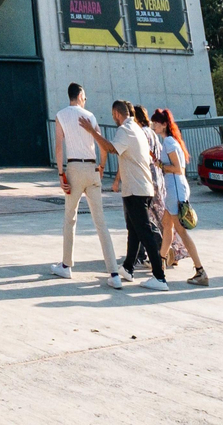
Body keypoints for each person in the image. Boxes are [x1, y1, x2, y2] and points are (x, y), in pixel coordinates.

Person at [51, 83, 124, 287]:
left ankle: (66, 265)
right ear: (81, 95)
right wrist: (101, 166)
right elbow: (102, 145)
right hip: (92, 169)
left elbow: (58, 147)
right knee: (100, 222)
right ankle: (114, 273)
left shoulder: (60, 115)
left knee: (70, 217)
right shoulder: (90, 117)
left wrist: (60, 173)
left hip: (73, 167)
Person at [110, 100, 168, 290]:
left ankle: (159, 277)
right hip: (144, 187)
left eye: (113, 116)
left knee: (145, 233)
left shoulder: (125, 130)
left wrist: (93, 132)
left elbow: (112, 149)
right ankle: (128, 267)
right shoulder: (139, 130)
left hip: (136, 190)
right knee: (134, 231)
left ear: (117, 114)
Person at [150, 108, 208, 287]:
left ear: (164, 124)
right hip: (176, 189)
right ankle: (160, 264)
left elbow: (177, 168)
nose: (153, 126)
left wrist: (161, 165)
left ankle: (200, 270)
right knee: (167, 226)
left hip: (175, 190)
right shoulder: (172, 141)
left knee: (180, 231)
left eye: (156, 123)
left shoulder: (168, 142)